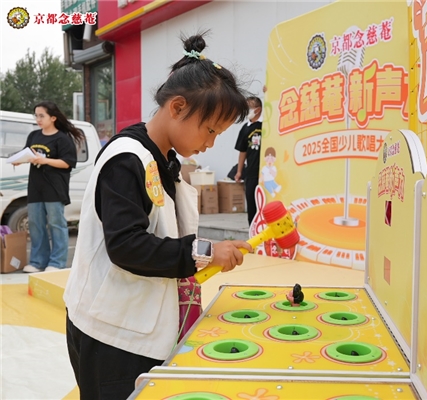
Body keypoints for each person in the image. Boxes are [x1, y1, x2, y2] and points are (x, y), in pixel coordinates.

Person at [63, 33, 253, 399]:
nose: (211, 143)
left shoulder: (163, 160)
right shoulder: (126, 159)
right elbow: (127, 245)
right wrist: (205, 252)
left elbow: (163, 234)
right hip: (112, 336)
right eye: (210, 130)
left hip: (139, 326)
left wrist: (207, 253)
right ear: (178, 107)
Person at [12, 101, 82, 273]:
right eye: (36, 115)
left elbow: (68, 163)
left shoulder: (62, 139)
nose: (38, 119)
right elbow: (27, 154)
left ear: (53, 118)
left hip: (55, 188)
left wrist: (44, 160)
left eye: (41, 116)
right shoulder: (34, 136)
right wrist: (19, 160)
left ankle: (57, 263)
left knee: (56, 224)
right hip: (35, 187)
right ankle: (37, 262)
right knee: (35, 224)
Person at [234, 96, 262, 226]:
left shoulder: (266, 125)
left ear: (258, 109)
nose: (246, 110)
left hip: (265, 173)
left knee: (264, 203)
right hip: (251, 172)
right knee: (251, 204)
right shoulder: (245, 128)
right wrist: (239, 171)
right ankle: (253, 230)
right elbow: (242, 151)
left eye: (249, 107)